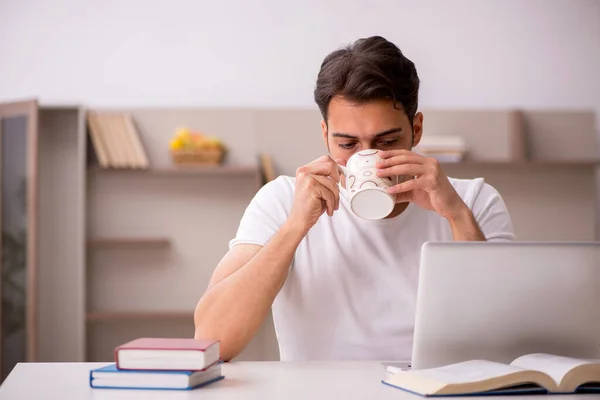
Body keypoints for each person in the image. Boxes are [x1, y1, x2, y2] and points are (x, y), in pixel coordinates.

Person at [194, 35, 515, 362]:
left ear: (416, 130)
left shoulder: (473, 200)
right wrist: (294, 228)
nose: (370, 159)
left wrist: (457, 216)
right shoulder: (281, 201)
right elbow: (213, 340)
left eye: (388, 141)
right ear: (325, 135)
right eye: (347, 145)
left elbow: (500, 336)